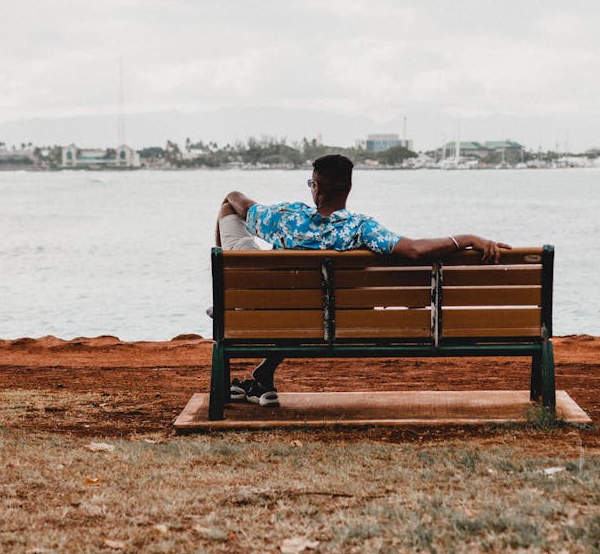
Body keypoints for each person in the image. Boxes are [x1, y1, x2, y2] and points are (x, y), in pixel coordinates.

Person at [214, 153, 509, 406]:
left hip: (277, 312)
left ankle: (225, 299)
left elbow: (235, 201)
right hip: (337, 319)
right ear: (348, 188)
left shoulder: (285, 218)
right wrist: (468, 238)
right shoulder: (362, 228)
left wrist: (231, 194)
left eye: (312, 184)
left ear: (316, 188)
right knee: (315, 303)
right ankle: (263, 373)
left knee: (228, 212)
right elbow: (416, 251)